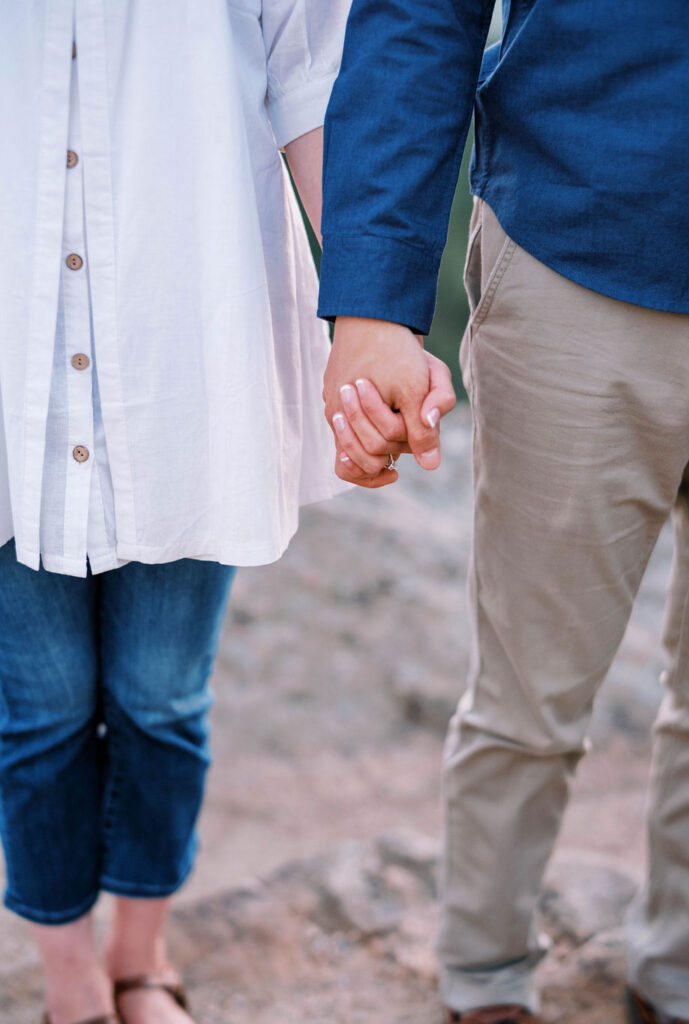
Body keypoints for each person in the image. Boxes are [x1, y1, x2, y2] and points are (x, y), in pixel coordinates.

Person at [317, 3, 689, 1023]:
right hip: (584, 245)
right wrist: (375, 305)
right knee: (532, 689)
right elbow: (420, 18)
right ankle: (483, 982)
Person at [0, 3, 352, 1023]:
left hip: (193, 342)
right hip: (13, 361)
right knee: (42, 707)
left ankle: (140, 959)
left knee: (161, 697)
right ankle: (69, 979)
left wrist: (374, 312)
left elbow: (315, 82)